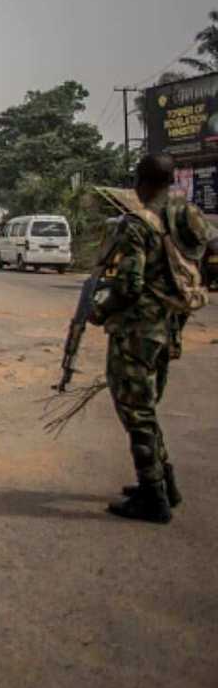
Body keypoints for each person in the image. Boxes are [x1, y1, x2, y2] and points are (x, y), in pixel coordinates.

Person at [88, 153, 210, 524]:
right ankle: (163, 482)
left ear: (140, 183)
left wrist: (101, 310)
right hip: (170, 325)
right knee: (147, 405)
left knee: (135, 410)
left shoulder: (139, 224)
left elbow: (129, 285)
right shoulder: (185, 216)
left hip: (137, 331)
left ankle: (153, 496)